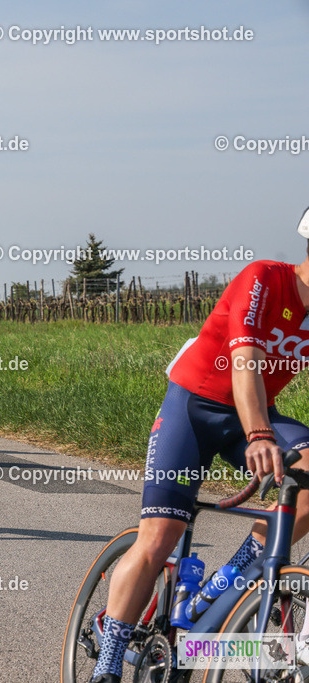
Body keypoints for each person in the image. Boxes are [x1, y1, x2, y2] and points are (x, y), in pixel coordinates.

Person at [91, 227, 309, 682]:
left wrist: (261, 427)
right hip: (194, 409)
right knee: (160, 536)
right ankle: (108, 659)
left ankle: (240, 574)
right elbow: (245, 359)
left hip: (254, 414)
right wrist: (258, 432)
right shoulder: (265, 278)